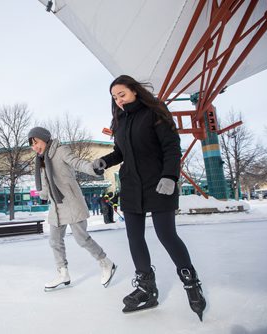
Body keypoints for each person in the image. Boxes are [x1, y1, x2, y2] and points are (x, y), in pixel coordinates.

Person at [93, 75, 206, 321]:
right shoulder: (120, 121)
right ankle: (146, 287)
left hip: (159, 184)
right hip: (132, 187)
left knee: (166, 235)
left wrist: (170, 176)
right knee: (134, 237)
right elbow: (121, 152)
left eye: (121, 94)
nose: (118, 100)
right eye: (114, 97)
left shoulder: (155, 112)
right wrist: (105, 161)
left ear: (134, 91)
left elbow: (171, 147)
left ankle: (191, 282)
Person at [28, 126, 117, 291]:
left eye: (36, 142)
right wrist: (43, 194)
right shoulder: (41, 160)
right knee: (54, 240)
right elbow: (45, 180)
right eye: (32, 145)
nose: (35, 147)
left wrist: (93, 168)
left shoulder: (61, 150)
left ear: (45, 139)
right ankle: (63, 273)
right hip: (56, 205)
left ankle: (106, 263)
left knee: (81, 238)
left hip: (71, 202)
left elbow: (77, 163)